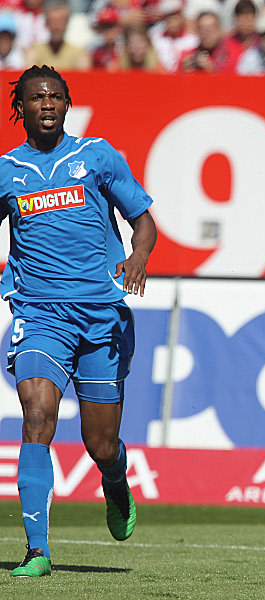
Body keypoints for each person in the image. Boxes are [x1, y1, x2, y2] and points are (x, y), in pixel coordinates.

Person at [0, 65, 157, 578]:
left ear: (68, 105)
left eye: (55, 97)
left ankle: (115, 479)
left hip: (100, 314)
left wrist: (138, 256)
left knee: (100, 442)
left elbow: (143, 219)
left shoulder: (95, 156)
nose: (47, 105)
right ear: (18, 109)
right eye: (36, 98)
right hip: (39, 313)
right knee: (37, 413)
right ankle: (37, 550)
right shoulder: (7, 171)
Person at [26, 0, 92, 70]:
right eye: (52, 21)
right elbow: (30, 77)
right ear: (46, 23)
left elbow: (83, 78)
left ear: (67, 23)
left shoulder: (80, 54)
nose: (57, 26)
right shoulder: (34, 52)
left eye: (61, 21)